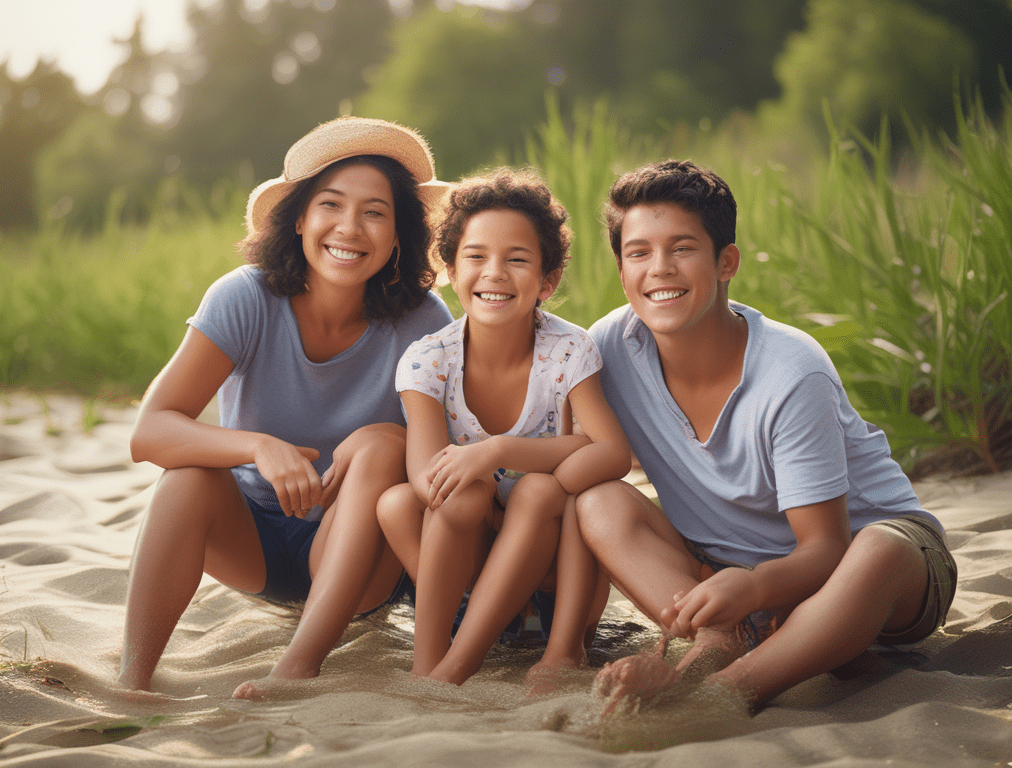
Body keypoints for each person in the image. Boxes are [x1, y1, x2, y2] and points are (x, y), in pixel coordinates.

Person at [578, 159, 957, 712]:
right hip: (726, 575)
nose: (659, 268)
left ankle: (725, 692)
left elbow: (826, 548)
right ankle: (717, 640)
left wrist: (754, 588)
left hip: (861, 572)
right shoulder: (610, 346)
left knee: (879, 548)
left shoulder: (790, 370)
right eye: (639, 252)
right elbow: (564, 455)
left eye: (682, 248)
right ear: (621, 270)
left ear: (725, 261)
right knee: (599, 501)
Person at [118, 117, 454, 698]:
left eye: (375, 212)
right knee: (186, 477)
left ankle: (298, 667)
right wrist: (255, 445)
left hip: (364, 564)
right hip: (257, 547)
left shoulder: (423, 321)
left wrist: (386, 446)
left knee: (380, 445)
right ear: (299, 218)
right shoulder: (246, 297)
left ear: (399, 233)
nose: (350, 227)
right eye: (330, 205)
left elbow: (445, 454)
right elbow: (148, 431)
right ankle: (133, 678)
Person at [376, 168, 631, 686]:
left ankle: (462, 664)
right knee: (402, 502)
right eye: (475, 257)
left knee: (538, 493)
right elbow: (427, 480)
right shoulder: (428, 361)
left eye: (517, 259)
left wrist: (496, 453)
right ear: (448, 268)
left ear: (548, 279)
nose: (494, 273)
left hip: (552, 579)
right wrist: (490, 503)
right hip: (468, 571)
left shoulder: (568, 350)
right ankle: (431, 659)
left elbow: (612, 455)